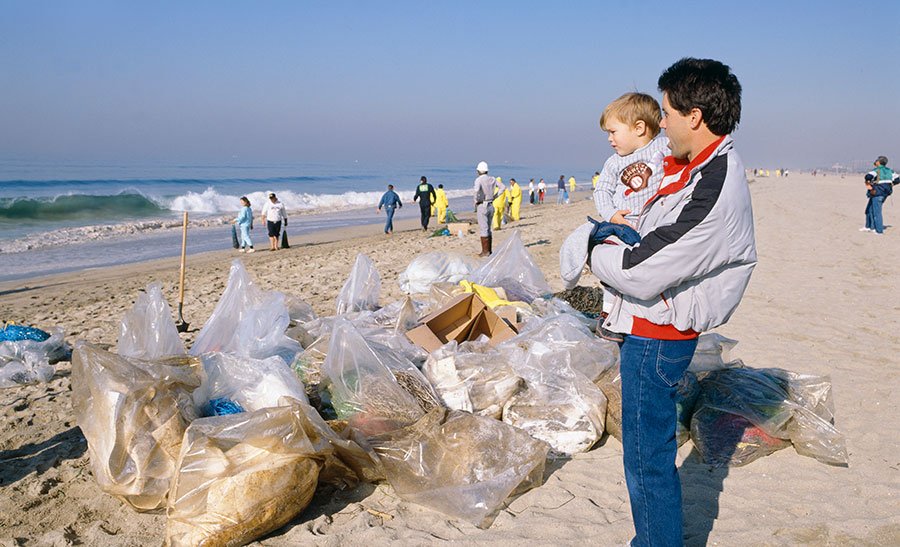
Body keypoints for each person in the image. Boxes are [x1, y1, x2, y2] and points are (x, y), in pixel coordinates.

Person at [589, 58, 755, 547]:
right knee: (648, 453)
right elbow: (654, 222)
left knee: (647, 458)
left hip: (657, 334)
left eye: (667, 113)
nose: (662, 124)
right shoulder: (697, 164)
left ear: (695, 116)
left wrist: (595, 244)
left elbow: (641, 272)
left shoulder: (714, 184)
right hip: (655, 325)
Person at [592, 92, 670, 341]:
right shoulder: (614, 163)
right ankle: (608, 317)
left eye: (613, 132)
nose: (609, 139)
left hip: (654, 223)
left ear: (639, 128)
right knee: (614, 272)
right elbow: (602, 190)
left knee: (647, 274)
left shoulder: (663, 147)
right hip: (623, 225)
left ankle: (641, 317)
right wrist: (611, 214)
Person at [473, 161, 504, 257]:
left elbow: (476, 190)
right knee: (488, 228)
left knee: (483, 228)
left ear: (479, 171)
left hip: (482, 205)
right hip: (491, 204)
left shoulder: (478, 180)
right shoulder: (492, 179)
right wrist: (495, 196)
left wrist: (476, 200)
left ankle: (485, 252)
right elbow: (503, 187)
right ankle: (489, 251)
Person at [862, 156, 894, 234]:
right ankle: (868, 226)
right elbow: (897, 179)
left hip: (877, 193)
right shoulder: (890, 171)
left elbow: (868, 176)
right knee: (869, 210)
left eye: (876, 160)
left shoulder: (877, 170)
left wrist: (868, 182)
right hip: (884, 193)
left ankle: (878, 230)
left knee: (877, 212)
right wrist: (890, 184)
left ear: (878, 162)